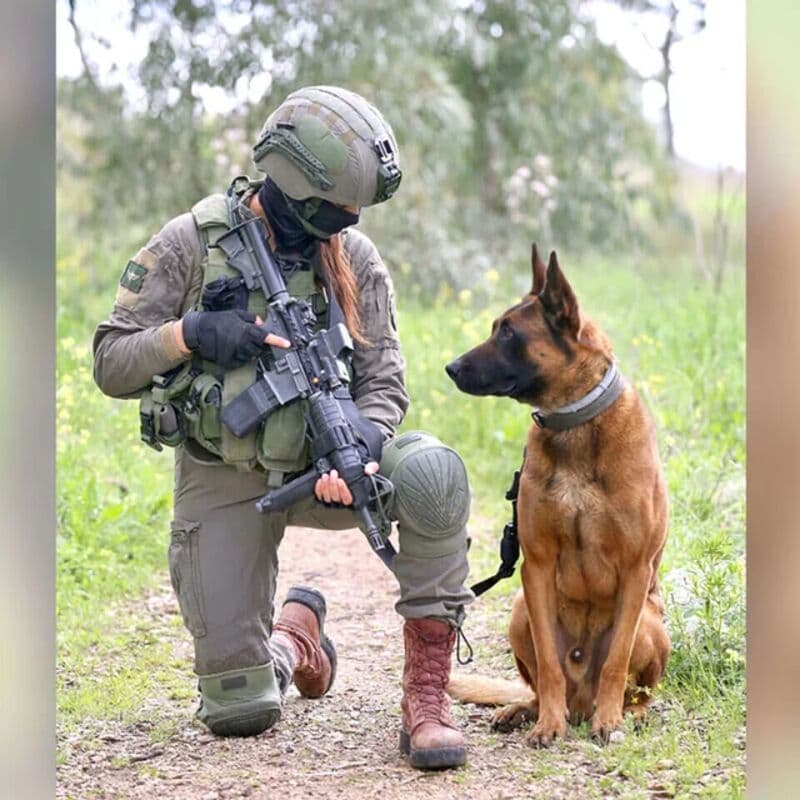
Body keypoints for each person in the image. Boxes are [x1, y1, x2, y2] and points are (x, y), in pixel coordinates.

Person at [92, 86, 474, 770]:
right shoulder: (188, 243)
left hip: (327, 470)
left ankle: (427, 699)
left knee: (434, 475)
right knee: (240, 710)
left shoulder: (354, 259)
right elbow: (110, 361)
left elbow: (385, 383)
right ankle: (295, 640)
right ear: (292, 188)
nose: (344, 224)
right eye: (331, 212)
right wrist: (191, 333)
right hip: (225, 473)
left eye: (353, 214)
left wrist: (359, 437)